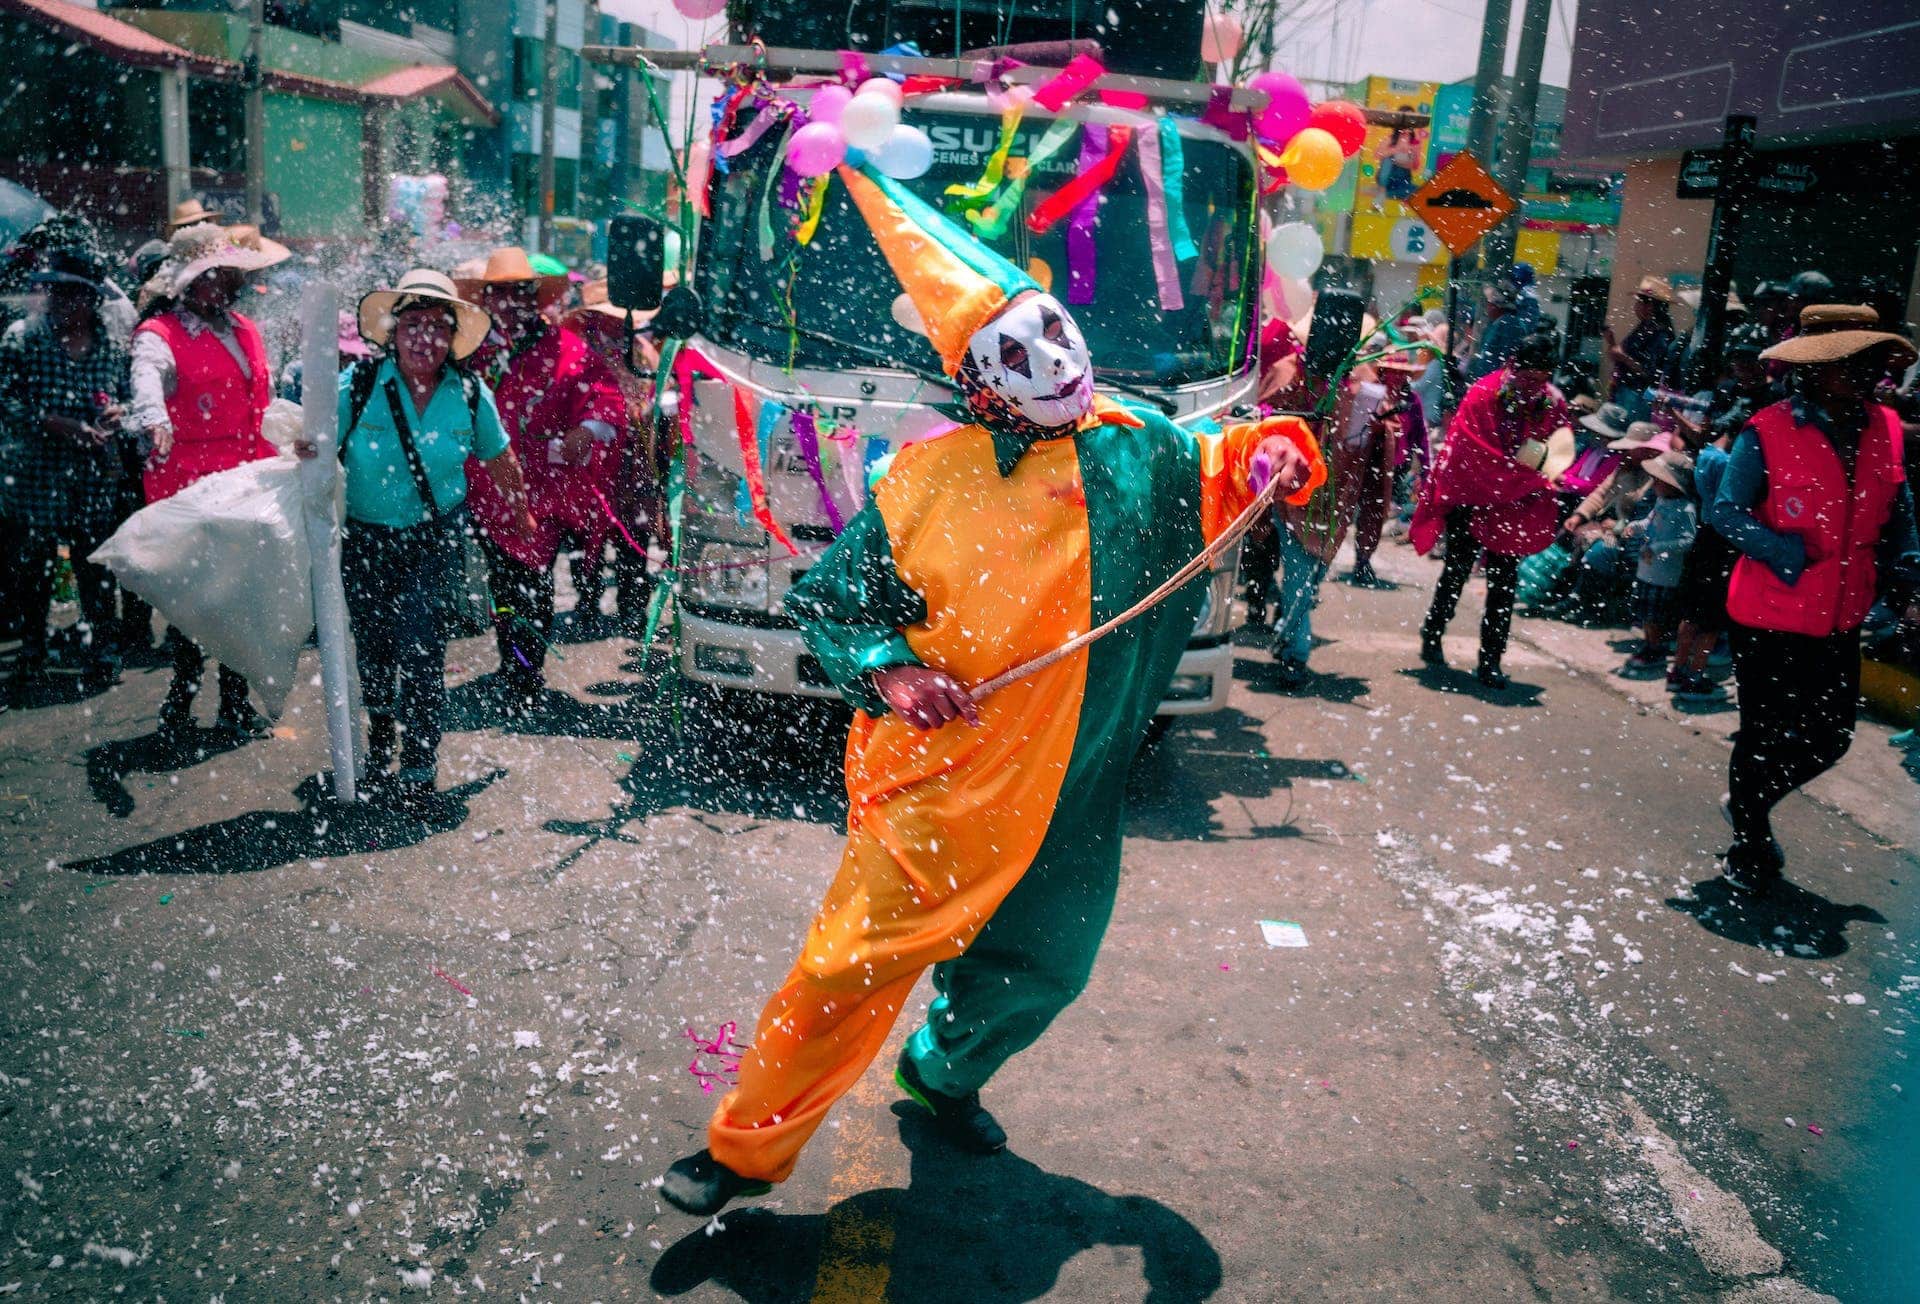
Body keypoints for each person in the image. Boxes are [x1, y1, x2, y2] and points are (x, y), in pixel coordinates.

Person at [657, 163, 1323, 1216]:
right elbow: (834, 601)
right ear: (972, 379)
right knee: (843, 971)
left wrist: (1271, 452)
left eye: (1051, 330)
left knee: (1045, 969)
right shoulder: (923, 481)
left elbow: (1219, 462)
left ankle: (941, 1072)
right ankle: (743, 1149)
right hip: (942, 784)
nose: (1050, 359)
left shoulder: (1138, 444)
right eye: (1015, 349)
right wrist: (894, 669)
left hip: (1074, 790)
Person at [294, 270, 536, 813]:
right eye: (412, 325)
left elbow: (499, 458)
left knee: (424, 647)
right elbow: (312, 444)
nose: (423, 337)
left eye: (435, 326)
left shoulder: (472, 394)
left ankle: (421, 762)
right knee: (376, 649)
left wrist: (520, 515)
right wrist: (305, 451)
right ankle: (381, 733)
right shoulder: (354, 388)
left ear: (452, 337)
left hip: (434, 538)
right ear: (393, 334)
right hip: (365, 539)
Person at [1709, 304, 1920, 893]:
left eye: (1867, 363)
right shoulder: (1766, 430)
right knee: (1762, 733)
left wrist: (1909, 570)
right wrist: (1781, 551)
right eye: (1846, 363)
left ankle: (1747, 803)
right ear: (1814, 368)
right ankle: (1748, 846)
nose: (1860, 374)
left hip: (1843, 614)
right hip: (1769, 613)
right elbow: (1724, 511)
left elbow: (1899, 510)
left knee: (1832, 738)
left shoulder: (1887, 428)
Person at [130, 223, 289, 741]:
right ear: (192, 282)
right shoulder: (160, 335)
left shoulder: (244, 327)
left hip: (247, 478)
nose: (232, 286)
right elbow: (147, 379)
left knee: (242, 592)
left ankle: (234, 704)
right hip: (191, 484)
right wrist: (154, 419)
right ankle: (181, 699)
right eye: (220, 276)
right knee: (196, 599)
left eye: (234, 276)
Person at [459, 247, 626, 711]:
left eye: (521, 291)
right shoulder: (471, 349)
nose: (511, 301)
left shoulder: (566, 349)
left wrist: (586, 430)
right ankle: (513, 662)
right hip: (487, 487)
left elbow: (604, 398)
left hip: (544, 493)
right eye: (501, 292)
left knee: (533, 581)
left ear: (535, 297)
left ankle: (526, 673)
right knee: (504, 582)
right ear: (487, 297)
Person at [0, 249, 134, 699]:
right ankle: (33, 651)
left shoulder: (113, 345)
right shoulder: (21, 339)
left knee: (94, 566)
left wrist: (119, 414)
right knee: (34, 569)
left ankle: (103, 650)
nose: (60, 303)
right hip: (35, 472)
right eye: (54, 292)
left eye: (72, 295)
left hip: (93, 476)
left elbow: (131, 400)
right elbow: (6, 400)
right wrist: (50, 421)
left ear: (92, 300)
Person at [1412, 330, 1570, 687]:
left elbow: (1557, 453)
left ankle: (1490, 660)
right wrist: (1510, 476)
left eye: (1541, 380)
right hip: (1472, 497)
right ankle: (1433, 631)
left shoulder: (1552, 403)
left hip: (1513, 504)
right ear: (1514, 367)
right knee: (1456, 572)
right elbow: (1471, 450)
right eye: (1528, 377)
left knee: (1503, 584)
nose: (1534, 386)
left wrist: (1531, 475)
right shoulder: (1484, 392)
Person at [566, 278, 663, 636]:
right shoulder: (577, 352)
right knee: (583, 532)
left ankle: (632, 605)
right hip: (590, 457)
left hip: (633, 455)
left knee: (632, 537)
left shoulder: (640, 350)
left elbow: (654, 396)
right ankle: (587, 600)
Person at [1615, 451, 1697, 679]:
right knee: (1645, 611)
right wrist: (1636, 526)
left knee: (1656, 614)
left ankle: (1656, 647)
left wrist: (1659, 547)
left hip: (1664, 572)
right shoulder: (1660, 502)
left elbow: (1688, 540)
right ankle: (1649, 644)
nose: (1656, 484)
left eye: (1661, 480)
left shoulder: (1686, 509)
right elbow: (1648, 522)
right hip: (1647, 568)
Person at [1603, 277, 1677, 415]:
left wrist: (1623, 357)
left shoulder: (1661, 334)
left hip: (1637, 396)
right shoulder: (1645, 326)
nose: (1636, 305)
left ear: (1651, 306)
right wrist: (1612, 343)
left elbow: (1650, 372)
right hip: (1628, 392)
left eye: (1640, 301)